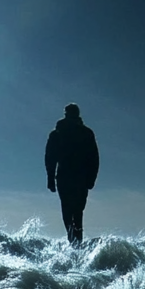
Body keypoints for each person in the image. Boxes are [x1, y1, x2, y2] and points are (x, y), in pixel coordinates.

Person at [45, 103, 100, 245]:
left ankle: (76, 240)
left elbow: (94, 157)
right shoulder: (57, 133)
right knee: (71, 210)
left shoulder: (86, 133)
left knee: (75, 210)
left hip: (78, 177)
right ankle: (74, 240)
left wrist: (91, 178)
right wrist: (50, 178)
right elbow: (50, 157)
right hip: (67, 176)